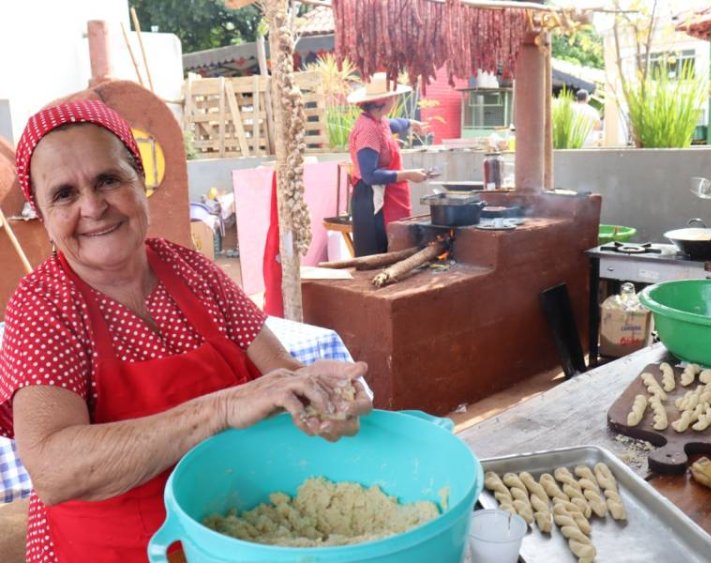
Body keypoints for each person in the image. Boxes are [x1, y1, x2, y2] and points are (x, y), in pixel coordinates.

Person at [0, 100, 372, 561]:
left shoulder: (191, 268)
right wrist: (222, 407)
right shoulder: (42, 305)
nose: (93, 207)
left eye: (108, 180)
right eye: (64, 194)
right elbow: (54, 470)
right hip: (111, 550)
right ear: (40, 213)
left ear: (140, 180)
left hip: (232, 533)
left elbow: (282, 373)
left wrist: (325, 398)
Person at [347, 73, 430, 257]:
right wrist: (408, 174)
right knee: (377, 255)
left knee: (394, 249)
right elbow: (369, 175)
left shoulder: (379, 120)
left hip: (386, 197)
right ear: (384, 101)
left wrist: (411, 123)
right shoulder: (368, 130)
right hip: (372, 201)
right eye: (394, 96)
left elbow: (393, 124)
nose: (396, 100)